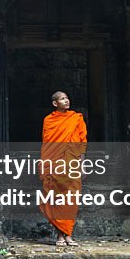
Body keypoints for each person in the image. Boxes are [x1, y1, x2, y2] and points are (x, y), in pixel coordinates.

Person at [38, 91, 88, 247]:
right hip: (55, 164)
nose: (67, 101)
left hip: (72, 163)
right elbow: (47, 145)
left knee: (71, 199)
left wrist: (83, 164)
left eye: (67, 98)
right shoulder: (49, 121)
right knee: (56, 198)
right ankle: (60, 236)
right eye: (62, 99)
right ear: (55, 103)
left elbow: (81, 143)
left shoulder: (76, 119)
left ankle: (68, 235)